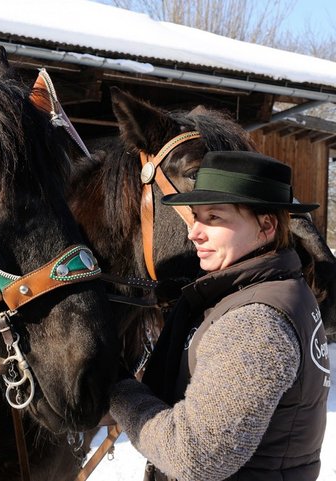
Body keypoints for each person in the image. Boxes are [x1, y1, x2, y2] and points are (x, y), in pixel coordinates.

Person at [109, 151, 330, 481]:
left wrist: (118, 389)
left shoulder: (256, 322)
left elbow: (194, 455)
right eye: (195, 216)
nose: (194, 233)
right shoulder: (278, 289)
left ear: (266, 225)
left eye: (213, 218)